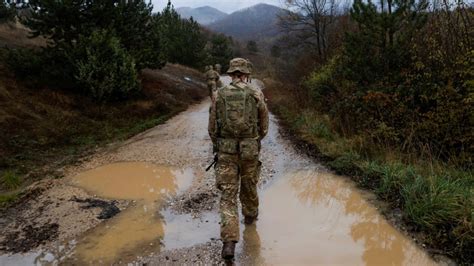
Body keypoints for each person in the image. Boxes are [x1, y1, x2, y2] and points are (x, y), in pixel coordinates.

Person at [208, 58, 269, 261]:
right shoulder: (255, 93)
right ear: (246, 74)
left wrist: (220, 144)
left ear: (231, 74)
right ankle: (250, 217)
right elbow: (264, 126)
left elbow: (212, 129)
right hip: (249, 150)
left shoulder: (219, 94)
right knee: (249, 184)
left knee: (227, 196)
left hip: (226, 152)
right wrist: (255, 140)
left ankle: (229, 242)